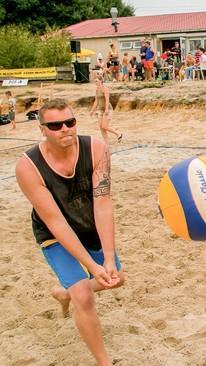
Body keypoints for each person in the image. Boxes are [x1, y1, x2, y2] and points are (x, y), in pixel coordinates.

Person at [15, 99, 125, 365]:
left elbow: (102, 203)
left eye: (70, 122)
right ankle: (104, 362)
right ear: (42, 129)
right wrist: (89, 264)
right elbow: (56, 222)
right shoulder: (27, 167)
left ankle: (65, 293)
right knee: (84, 296)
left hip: (87, 222)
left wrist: (108, 258)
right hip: (54, 233)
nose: (65, 128)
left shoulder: (97, 148)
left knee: (116, 278)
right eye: (55, 125)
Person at [89, 77, 122, 143]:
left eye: (96, 81)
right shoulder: (97, 89)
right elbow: (96, 101)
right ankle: (106, 142)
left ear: (101, 81)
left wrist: (106, 109)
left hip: (108, 109)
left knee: (104, 126)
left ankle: (118, 133)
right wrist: (92, 110)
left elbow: (107, 100)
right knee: (101, 127)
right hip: (100, 109)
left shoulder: (105, 89)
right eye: (95, 81)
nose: (95, 82)